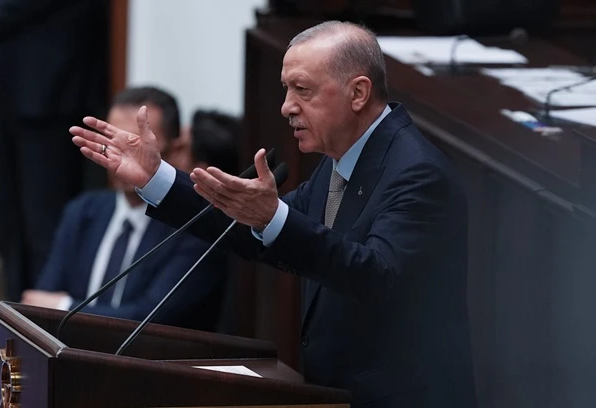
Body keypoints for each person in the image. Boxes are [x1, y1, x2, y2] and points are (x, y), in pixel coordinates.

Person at [70, 21, 476, 407]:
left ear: (358, 93)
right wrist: (156, 177)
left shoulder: (417, 173)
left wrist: (271, 218)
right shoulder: (342, 161)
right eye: (286, 89)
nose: (286, 107)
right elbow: (249, 225)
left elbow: (375, 274)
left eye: (302, 90)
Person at [22, 87, 226, 331]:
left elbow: (152, 319)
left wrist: (64, 306)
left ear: (175, 150)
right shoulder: (83, 211)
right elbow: (40, 302)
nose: (124, 158)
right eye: (113, 145)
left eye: (137, 147)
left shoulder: (196, 226)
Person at [0, 0, 109, 301]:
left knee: (45, 226)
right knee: (10, 225)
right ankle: (16, 316)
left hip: (50, 85)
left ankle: (44, 321)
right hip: (1, 81)